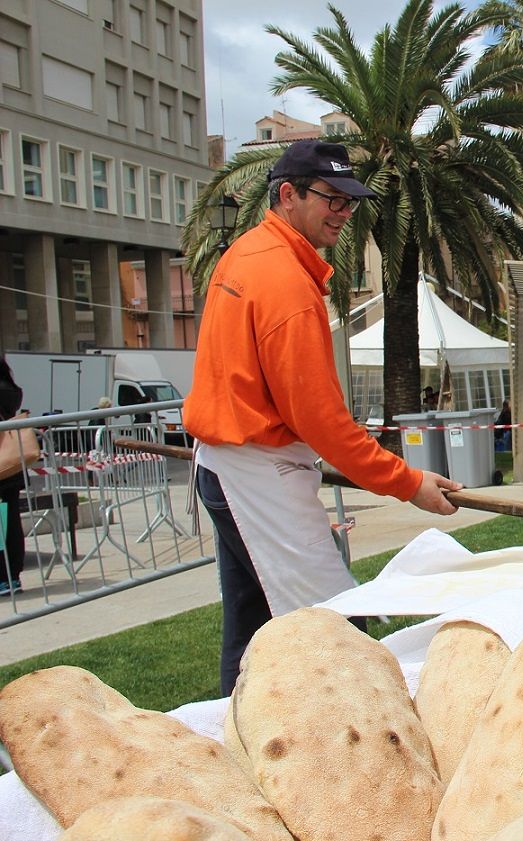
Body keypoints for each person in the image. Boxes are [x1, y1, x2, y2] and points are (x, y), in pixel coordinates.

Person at [184, 139, 463, 695]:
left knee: (250, 627)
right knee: (338, 627)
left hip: (228, 465)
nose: (341, 211)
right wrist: (408, 483)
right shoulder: (285, 283)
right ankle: (357, 743)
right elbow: (322, 421)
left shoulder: (248, 252)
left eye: (349, 201)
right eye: (329, 197)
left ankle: (234, 742)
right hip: (256, 472)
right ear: (287, 195)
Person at [0, 355, 28, 595]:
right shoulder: (11, 390)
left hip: (2, 469)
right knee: (11, 522)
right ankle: (12, 576)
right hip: (11, 468)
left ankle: (3, 577)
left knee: (3, 524)